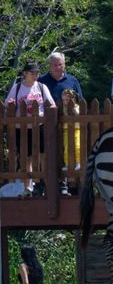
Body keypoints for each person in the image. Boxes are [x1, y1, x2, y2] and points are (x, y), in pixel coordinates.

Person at [4, 60, 56, 196]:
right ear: (25, 74)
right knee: (26, 158)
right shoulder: (17, 88)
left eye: (37, 73)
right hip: (21, 128)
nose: (36, 75)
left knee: (43, 156)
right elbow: (6, 105)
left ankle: (44, 184)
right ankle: (28, 187)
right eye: (33, 73)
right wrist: (10, 104)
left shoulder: (41, 87)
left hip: (39, 125)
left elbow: (52, 105)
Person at [60, 88, 81, 196]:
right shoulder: (62, 108)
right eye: (63, 100)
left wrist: (73, 109)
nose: (65, 102)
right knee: (67, 148)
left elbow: (78, 114)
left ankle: (78, 163)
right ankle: (68, 164)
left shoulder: (77, 107)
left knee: (77, 146)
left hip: (76, 129)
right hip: (66, 130)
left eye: (67, 99)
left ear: (73, 99)